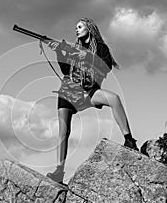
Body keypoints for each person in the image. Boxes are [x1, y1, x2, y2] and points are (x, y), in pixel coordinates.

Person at [46, 17, 138, 184]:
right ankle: (59, 170)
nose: (77, 29)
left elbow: (106, 66)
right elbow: (66, 70)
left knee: (114, 99)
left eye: (80, 26)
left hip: (89, 91)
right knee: (63, 132)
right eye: (76, 27)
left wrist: (87, 56)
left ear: (89, 28)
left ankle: (129, 140)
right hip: (68, 91)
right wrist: (59, 52)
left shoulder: (101, 48)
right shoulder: (74, 49)